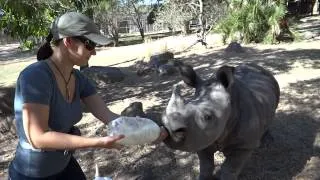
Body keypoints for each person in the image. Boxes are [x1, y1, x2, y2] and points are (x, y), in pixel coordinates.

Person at [8, 12, 168, 180]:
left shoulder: (79, 79)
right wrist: (98, 142)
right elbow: (38, 138)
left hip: (64, 164)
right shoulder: (35, 77)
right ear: (68, 41)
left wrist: (151, 132)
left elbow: (110, 117)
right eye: (90, 44)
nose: (94, 53)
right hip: (31, 173)